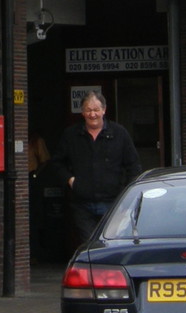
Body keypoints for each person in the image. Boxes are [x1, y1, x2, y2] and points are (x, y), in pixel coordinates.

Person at [52, 90, 142, 245]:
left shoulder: (119, 133)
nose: (92, 114)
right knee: (89, 247)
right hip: (82, 204)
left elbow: (133, 166)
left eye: (96, 110)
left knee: (112, 245)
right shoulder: (71, 135)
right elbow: (57, 163)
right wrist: (71, 181)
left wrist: (127, 194)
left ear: (104, 110)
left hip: (114, 204)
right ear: (82, 112)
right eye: (88, 110)